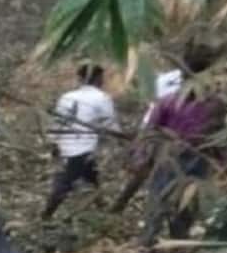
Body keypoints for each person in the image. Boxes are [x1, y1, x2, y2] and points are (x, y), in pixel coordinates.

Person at [141, 73, 227, 249]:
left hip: (180, 155)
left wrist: (142, 155)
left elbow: (150, 131)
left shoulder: (168, 101)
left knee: (167, 196)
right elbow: (220, 135)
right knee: (173, 197)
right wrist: (222, 158)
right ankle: (161, 238)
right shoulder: (213, 104)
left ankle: (158, 240)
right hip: (186, 155)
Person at [43, 63, 117, 220]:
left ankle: (102, 207)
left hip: (65, 145)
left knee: (90, 175)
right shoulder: (102, 97)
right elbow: (111, 125)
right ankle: (46, 215)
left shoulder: (66, 96)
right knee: (66, 182)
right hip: (83, 147)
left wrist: (54, 143)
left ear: (80, 78)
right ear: (98, 79)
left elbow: (58, 123)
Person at [114, 66, 187, 213]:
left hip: (158, 126)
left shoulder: (166, 78)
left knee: (147, 168)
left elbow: (151, 100)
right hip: (165, 128)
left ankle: (123, 204)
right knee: (150, 168)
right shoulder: (174, 80)